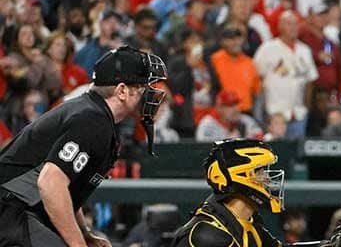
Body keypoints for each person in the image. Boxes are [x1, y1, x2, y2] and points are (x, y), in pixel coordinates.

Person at [0, 46, 167, 246]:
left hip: (20, 210)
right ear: (122, 91)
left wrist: (84, 233)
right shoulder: (91, 119)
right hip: (10, 209)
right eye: (142, 88)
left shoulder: (95, 113)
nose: (149, 93)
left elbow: (67, 187)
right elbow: (51, 183)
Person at [171, 139, 286, 247]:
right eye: (259, 172)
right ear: (240, 176)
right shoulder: (209, 235)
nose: (267, 179)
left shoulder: (246, 221)